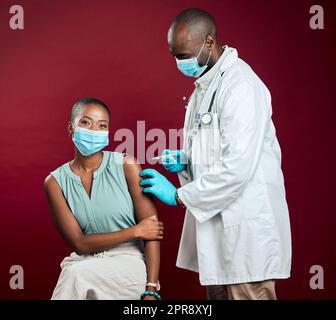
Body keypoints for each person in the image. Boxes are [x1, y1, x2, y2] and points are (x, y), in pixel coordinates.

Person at [139, 8, 292, 300]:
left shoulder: (241, 86)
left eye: (184, 55)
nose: (179, 63)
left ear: (209, 42)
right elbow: (215, 154)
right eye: (174, 55)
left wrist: (178, 196)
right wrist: (187, 161)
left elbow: (236, 167)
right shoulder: (206, 86)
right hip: (220, 240)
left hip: (247, 240)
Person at [44, 98, 163, 300]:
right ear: (71, 127)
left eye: (102, 125)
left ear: (108, 132)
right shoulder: (55, 182)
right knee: (75, 273)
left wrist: (151, 289)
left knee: (74, 277)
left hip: (128, 261)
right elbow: (80, 244)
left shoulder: (126, 165)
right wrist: (135, 230)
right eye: (85, 122)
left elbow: (151, 232)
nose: (93, 130)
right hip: (83, 260)